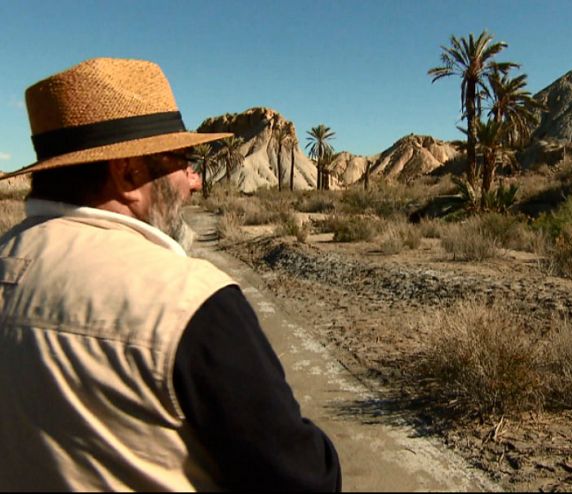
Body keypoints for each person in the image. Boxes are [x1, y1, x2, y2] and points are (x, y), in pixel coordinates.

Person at [0, 57, 341, 491]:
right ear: (128, 174)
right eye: (182, 161)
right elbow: (303, 480)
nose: (194, 182)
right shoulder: (188, 299)